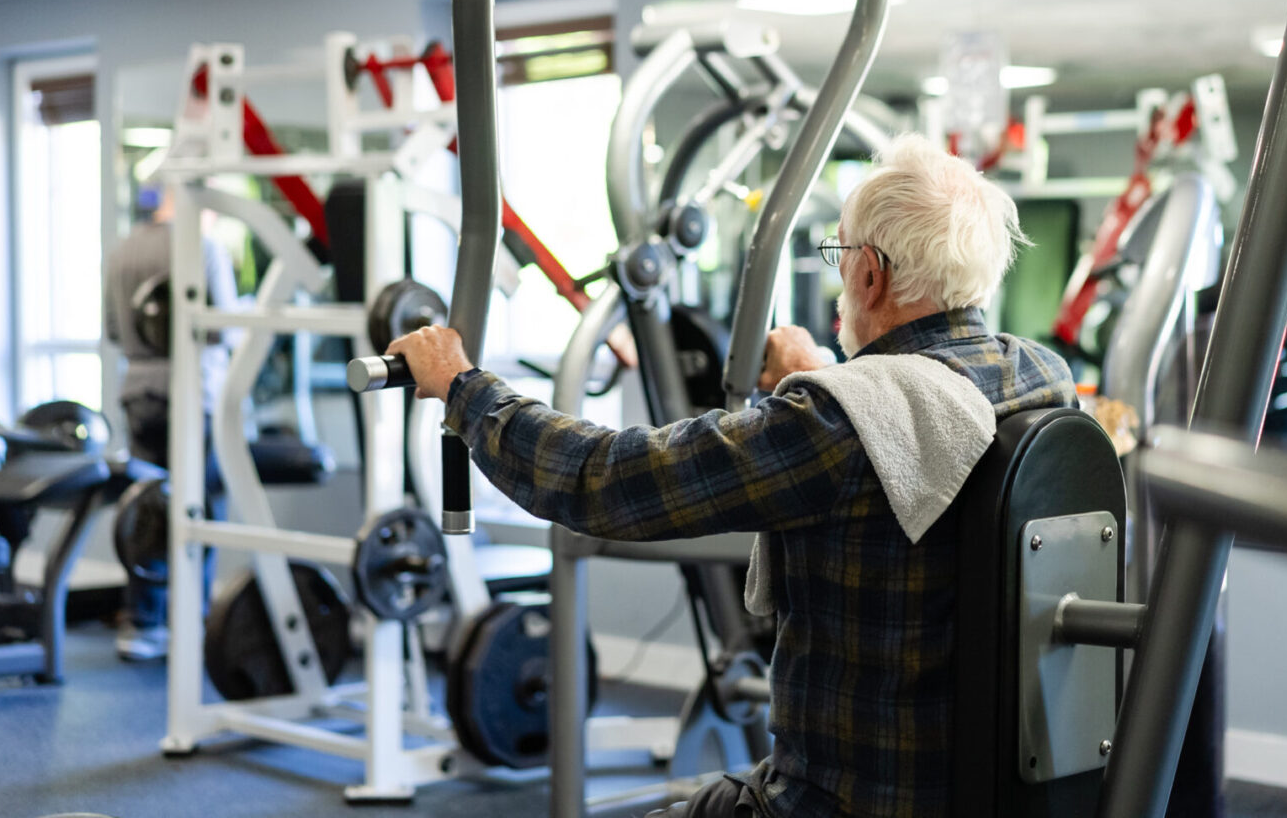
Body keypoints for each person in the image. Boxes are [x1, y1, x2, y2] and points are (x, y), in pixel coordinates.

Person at [391, 134, 1076, 818]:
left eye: (842, 260)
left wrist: (464, 387)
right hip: (974, 791)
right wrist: (826, 381)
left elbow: (602, 479)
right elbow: (908, 425)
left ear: (870, 274)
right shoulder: (1041, 380)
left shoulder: (834, 422)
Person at [103, 185, 239, 661]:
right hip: (193, 391)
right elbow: (225, 327)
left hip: (139, 391)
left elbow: (114, 332)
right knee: (199, 504)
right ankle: (193, 621)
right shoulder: (202, 247)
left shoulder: (122, 251)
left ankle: (142, 622)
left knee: (148, 504)